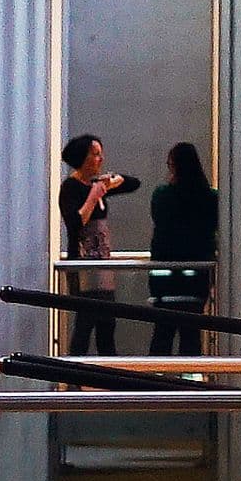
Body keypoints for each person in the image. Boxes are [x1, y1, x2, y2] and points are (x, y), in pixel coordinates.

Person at [56, 133, 140, 356]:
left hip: (102, 265)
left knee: (107, 324)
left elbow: (133, 183)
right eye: (95, 154)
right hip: (83, 265)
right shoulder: (71, 187)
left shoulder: (98, 184)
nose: (100, 158)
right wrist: (93, 196)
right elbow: (75, 222)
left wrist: (112, 182)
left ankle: (108, 380)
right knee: (84, 324)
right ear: (82, 157)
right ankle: (73, 382)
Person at [148, 141, 218, 355]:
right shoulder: (211, 198)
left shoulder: (162, 195)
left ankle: (154, 385)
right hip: (197, 278)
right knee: (191, 337)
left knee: (161, 336)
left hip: (164, 279)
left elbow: (159, 220)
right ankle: (191, 383)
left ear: (174, 166)